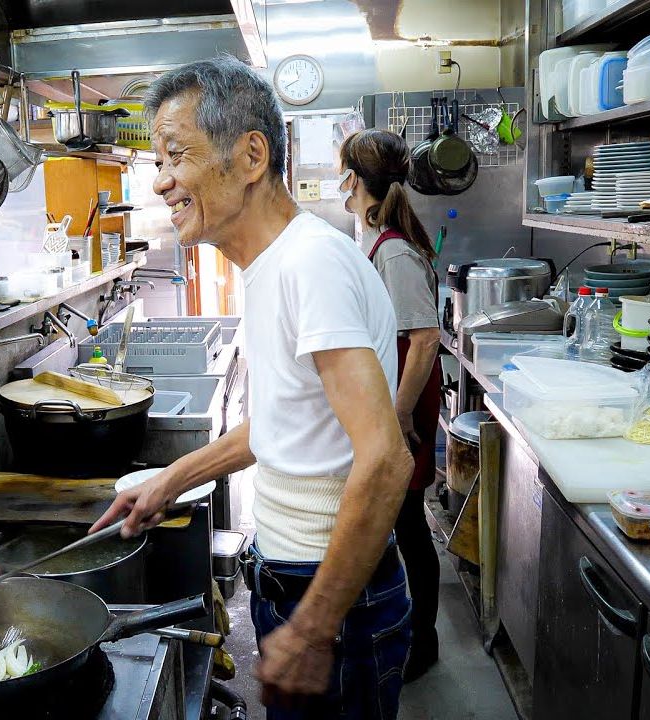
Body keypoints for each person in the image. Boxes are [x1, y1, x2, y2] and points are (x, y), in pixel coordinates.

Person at [90, 56, 415, 719]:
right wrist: (170, 480)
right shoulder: (273, 265)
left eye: (174, 155)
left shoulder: (309, 264)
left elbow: (386, 461)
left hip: (337, 598)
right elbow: (282, 423)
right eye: (158, 161)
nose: (161, 182)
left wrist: (314, 626)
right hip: (296, 581)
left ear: (250, 156)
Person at [339, 129, 444, 681]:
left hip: (409, 406)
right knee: (400, 523)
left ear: (354, 180)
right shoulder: (378, 240)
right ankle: (405, 634)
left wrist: (400, 415)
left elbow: (424, 339)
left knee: (408, 526)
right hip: (396, 401)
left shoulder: (395, 251)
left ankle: (420, 645)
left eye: (343, 173)